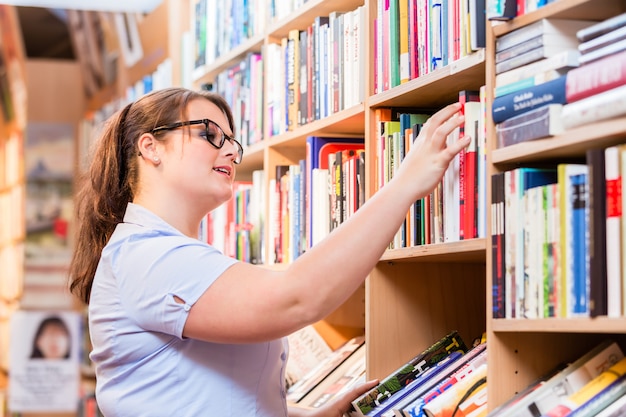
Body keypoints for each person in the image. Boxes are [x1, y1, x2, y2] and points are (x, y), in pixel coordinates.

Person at [68, 87, 470, 417]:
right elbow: (295, 299)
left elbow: (205, 395)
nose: (229, 151)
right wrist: (405, 184)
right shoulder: (147, 256)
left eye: (231, 142)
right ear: (150, 147)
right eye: (210, 135)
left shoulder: (173, 255)